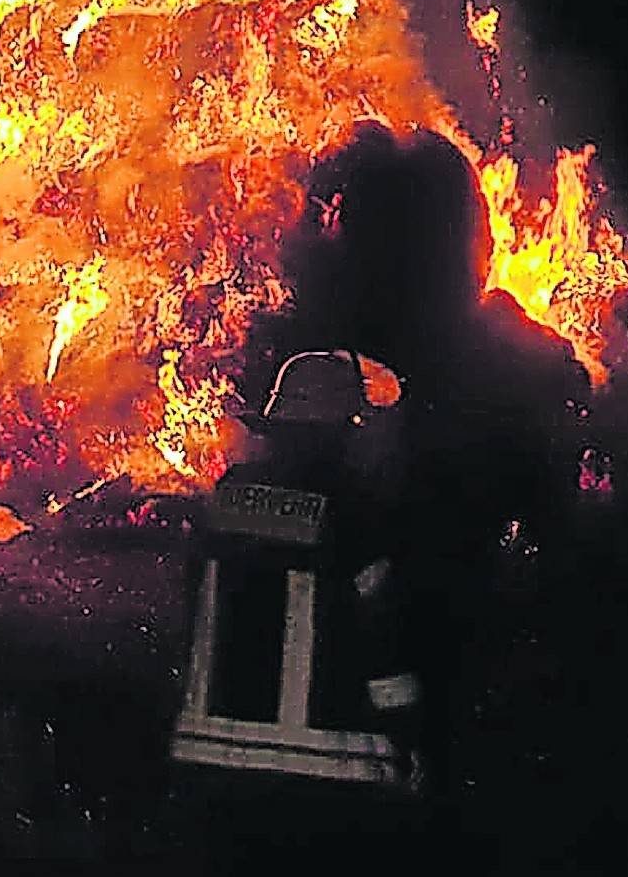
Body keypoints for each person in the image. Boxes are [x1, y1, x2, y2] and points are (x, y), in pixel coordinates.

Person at [170, 349, 425, 872]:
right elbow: (383, 633)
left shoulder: (226, 498)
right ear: (342, 430)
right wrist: (410, 733)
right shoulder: (352, 507)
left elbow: (194, 608)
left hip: (214, 765)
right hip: (327, 773)